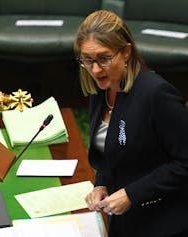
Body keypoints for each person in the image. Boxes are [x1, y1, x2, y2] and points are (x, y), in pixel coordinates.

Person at [74, 10, 188, 237]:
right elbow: (110, 150)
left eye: (104, 58)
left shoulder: (156, 94)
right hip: (121, 219)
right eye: (87, 59)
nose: (95, 69)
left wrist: (132, 194)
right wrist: (101, 184)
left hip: (163, 222)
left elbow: (185, 162)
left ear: (126, 52)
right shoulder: (101, 88)